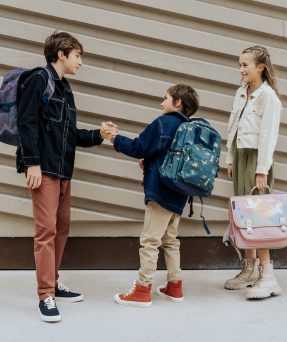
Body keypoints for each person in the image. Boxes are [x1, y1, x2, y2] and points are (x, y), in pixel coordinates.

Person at [17, 31, 107, 322]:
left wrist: (99, 135)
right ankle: (45, 296)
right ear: (61, 54)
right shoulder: (38, 80)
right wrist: (31, 163)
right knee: (45, 232)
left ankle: (53, 282)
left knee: (62, 227)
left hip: (63, 171)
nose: (80, 61)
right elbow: (26, 122)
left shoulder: (65, 88)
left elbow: (71, 136)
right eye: (77, 55)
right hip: (43, 170)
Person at [102, 84, 199, 307]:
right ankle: (175, 286)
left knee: (149, 241)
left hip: (161, 191)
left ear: (178, 103)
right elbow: (166, 154)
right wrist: (151, 160)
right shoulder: (188, 127)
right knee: (170, 240)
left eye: (165, 98)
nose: (161, 103)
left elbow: (139, 147)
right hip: (179, 193)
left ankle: (142, 289)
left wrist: (113, 137)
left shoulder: (164, 123)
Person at [224, 46, 282, 299]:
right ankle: (250, 269)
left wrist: (262, 169)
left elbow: (269, 136)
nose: (241, 69)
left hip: (257, 160)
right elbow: (233, 128)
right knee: (243, 216)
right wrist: (229, 158)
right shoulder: (241, 93)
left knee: (258, 219)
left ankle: (268, 277)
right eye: (240, 64)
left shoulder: (269, 97)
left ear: (261, 67)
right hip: (241, 155)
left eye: (245, 65)